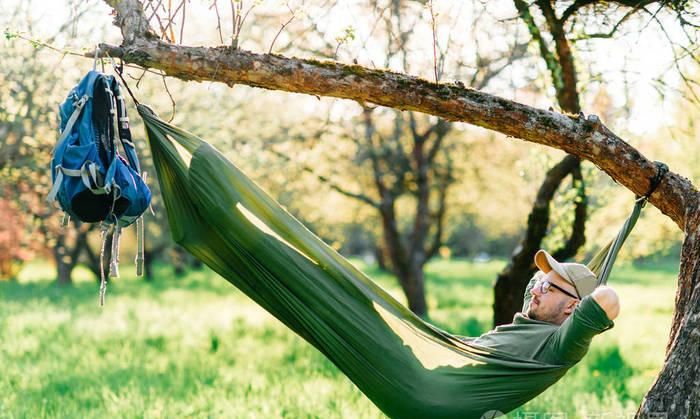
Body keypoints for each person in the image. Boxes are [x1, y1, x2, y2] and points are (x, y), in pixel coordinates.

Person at [470, 249, 620, 365]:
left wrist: (585, 299)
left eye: (548, 287)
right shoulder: (534, 310)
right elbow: (537, 276)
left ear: (572, 305)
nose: (534, 291)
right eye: (541, 284)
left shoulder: (560, 345)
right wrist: (547, 282)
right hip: (464, 353)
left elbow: (608, 298)